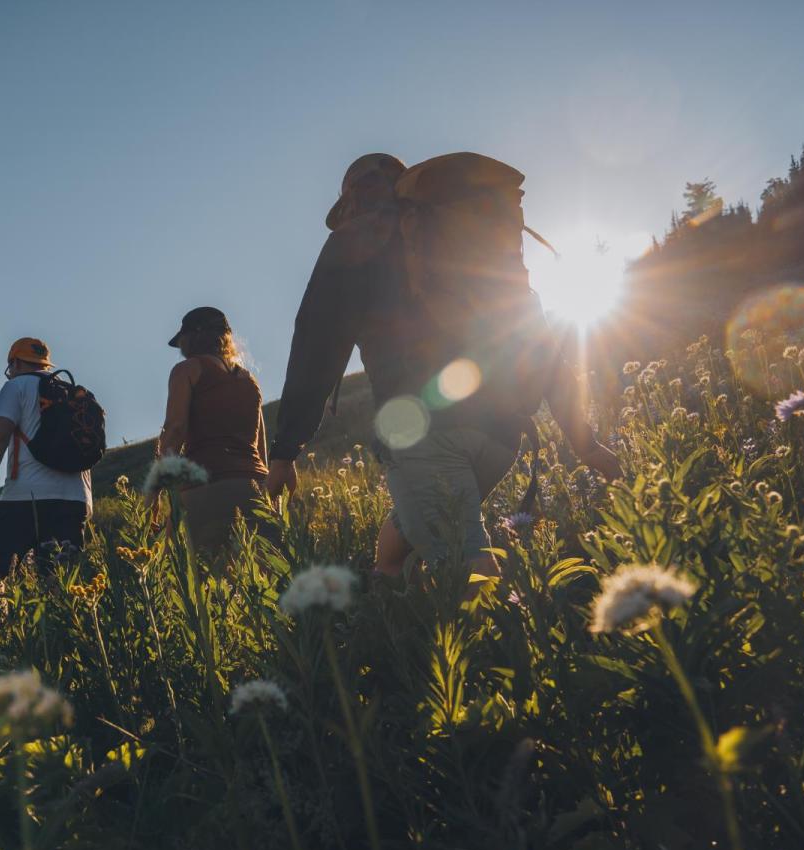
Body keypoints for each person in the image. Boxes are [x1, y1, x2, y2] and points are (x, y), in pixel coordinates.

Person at [265, 153, 621, 585]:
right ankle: (387, 592)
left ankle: (515, 648)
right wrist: (584, 441)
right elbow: (534, 335)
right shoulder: (454, 231)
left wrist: (286, 449)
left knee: (466, 564)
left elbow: (316, 343)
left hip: (427, 437)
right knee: (410, 527)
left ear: (350, 202)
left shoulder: (356, 239)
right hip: (502, 437)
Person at [0, 336, 93, 577]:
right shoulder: (72, 392)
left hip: (25, 497)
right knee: (59, 582)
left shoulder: (16, 386)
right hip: (75, 499)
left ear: (14, 363)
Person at [156, 306, 270, 553]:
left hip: (206, 487)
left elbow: (175, 428)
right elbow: (260, 446)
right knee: (258, 578)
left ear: (190, 338)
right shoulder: (250, 380)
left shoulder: (186, 370)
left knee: (192, 577)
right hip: (255, 486)